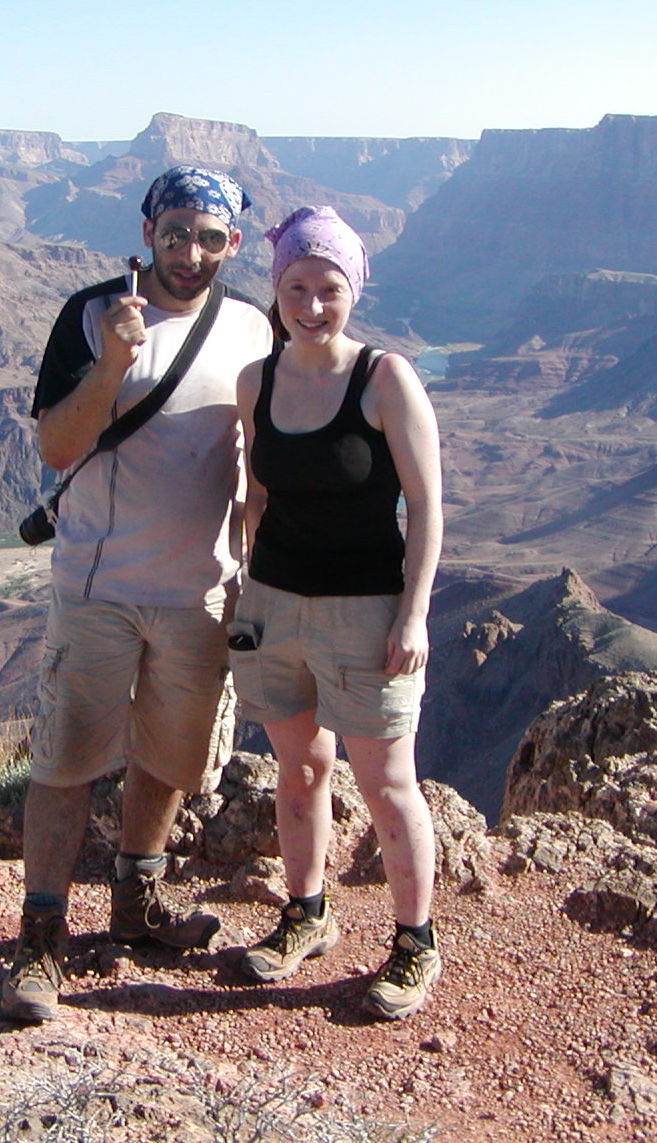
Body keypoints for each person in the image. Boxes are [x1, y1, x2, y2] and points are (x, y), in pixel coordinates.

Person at [0, 166, 274, 1023]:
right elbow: (56, 446)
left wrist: (262, 576)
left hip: (203, 590)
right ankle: (40, 937)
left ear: (233, 243)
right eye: (175, 233)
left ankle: (137, 900)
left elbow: (261, 460)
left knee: (169, 756)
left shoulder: (253, 327)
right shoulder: (91, 314)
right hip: (99, 585)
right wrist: (114, 362)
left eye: (210, 238)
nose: (190, 253)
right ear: (148, 230)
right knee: (65, 761)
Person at [228, 206, 443, 1020]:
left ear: (353, 290)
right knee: (301, 770)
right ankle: (306, 914)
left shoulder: (385, 379)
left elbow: (427, 507)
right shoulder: (257, 381)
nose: (311, 306)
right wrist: (243, 580)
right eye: (296, 287)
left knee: (388, 785)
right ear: (276, 288)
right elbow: (257, 494)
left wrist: (413, 615)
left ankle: (415, 943)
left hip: (366, 612)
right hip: (275, 605)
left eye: (329, 288)